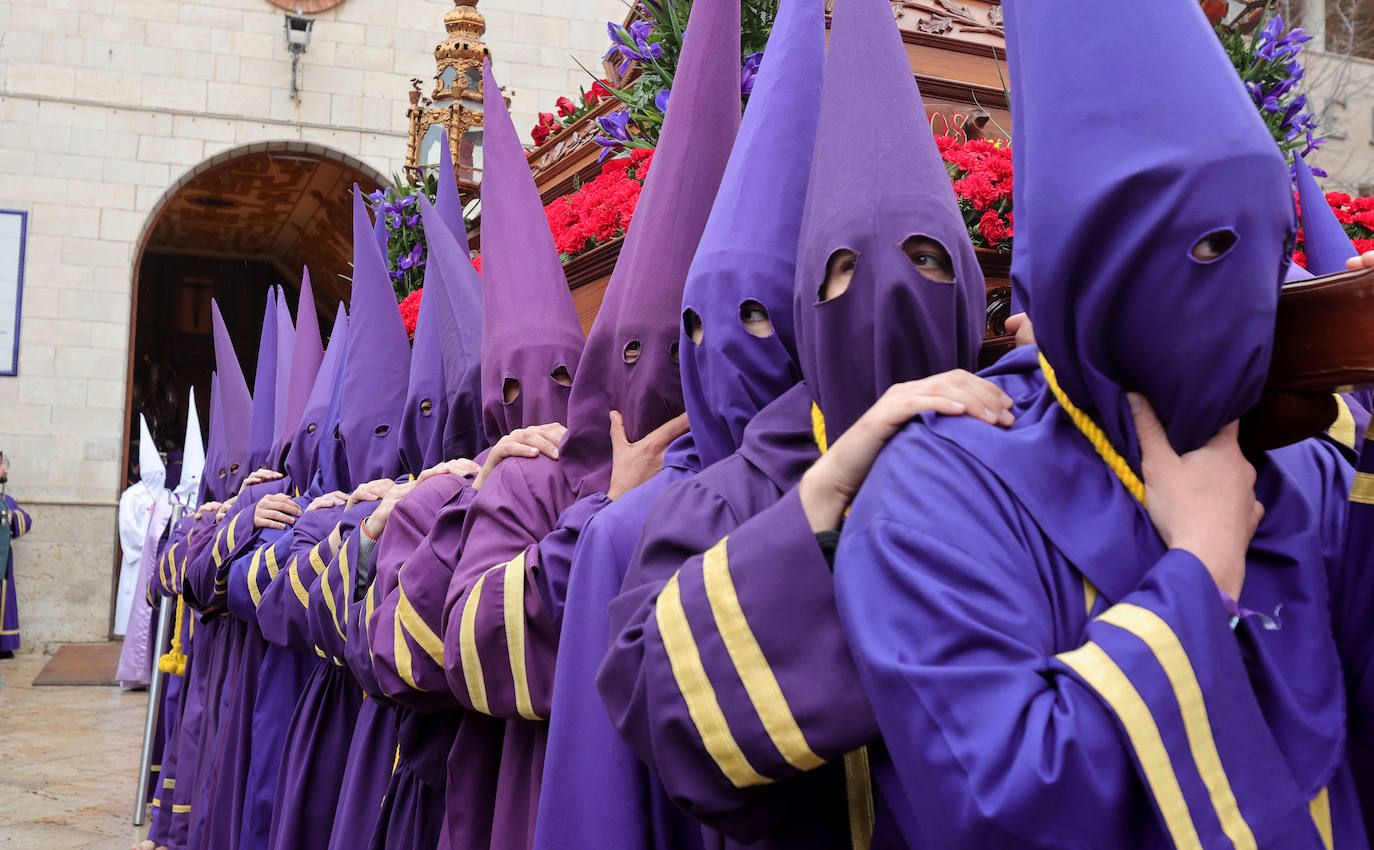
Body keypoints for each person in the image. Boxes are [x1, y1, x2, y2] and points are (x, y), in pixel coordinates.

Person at [834, 0, 1372, 846]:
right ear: (1089, 263)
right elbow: (997, 803)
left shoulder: (1306, 465)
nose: (1240, 292)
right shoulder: (938, 491)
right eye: (1199, 248)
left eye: (1263, 240)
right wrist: (1199, 575)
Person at [598, 0, 1003, 845]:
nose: (888, 294)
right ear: (806, 310)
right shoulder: (716, 503)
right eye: (842, 271)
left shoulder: (1025, 452)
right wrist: (822, 501)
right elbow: (650, 703)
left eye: (925, 259)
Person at [430, 3, 741, 839]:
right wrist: (598, 523)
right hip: (545, 786)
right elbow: (470, 649)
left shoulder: (758, 474)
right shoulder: (527, 479)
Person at [363, 87, 586, 850]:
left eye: (563, 379)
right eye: (512, 391)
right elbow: (403, 663)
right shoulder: (439, 501)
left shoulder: (620, 476)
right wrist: (460, 496)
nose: (538, 411)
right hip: (463, 781)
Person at [0, 453, 31, 659]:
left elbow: (25, 519)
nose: (5, 469)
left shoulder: (5, 500)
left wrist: (12, 517)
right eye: (2, 465)